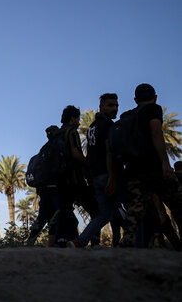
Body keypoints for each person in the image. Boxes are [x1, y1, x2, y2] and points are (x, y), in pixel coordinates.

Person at [120, 84, 182, 247]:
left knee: (135, 210)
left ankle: (128, 243)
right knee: (177, 203)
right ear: (155, 97)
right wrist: (165, 163)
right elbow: (156, 132)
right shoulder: (153, 109)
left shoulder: (126, 116)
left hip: (133, 170)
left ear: (135, 99)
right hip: (154, 168)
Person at [68, 93, 120, 248]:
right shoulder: (107, 125)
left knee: (103, 214)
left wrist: (90, 176)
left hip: (97, 177)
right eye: (110, 105)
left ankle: (79, 242)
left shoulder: (91, 127)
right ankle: (132, 242)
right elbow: (109, 150)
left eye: (116, 105)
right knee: (131, 207)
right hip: (107, 175)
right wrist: (112, 175)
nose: (115, 108)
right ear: (102, 106)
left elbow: (89, 153)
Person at [54, 105, 98, 247]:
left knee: (65, 213)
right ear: (73, 119)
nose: (79, 121)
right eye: (78, 118)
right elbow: (76, 154)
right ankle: (94, 243)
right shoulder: (71, 132)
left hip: (61, 181)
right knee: (96, 211)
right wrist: (88, 163)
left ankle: (63, 242)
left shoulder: (57, 134)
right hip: (75, 180)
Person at [26, 125, 62, 246]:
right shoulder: (58, 145)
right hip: (55, 189)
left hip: (43, 190)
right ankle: (57, 245)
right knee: (58, 217)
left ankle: (30, 242)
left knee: (43, 218)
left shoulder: (43, 149)